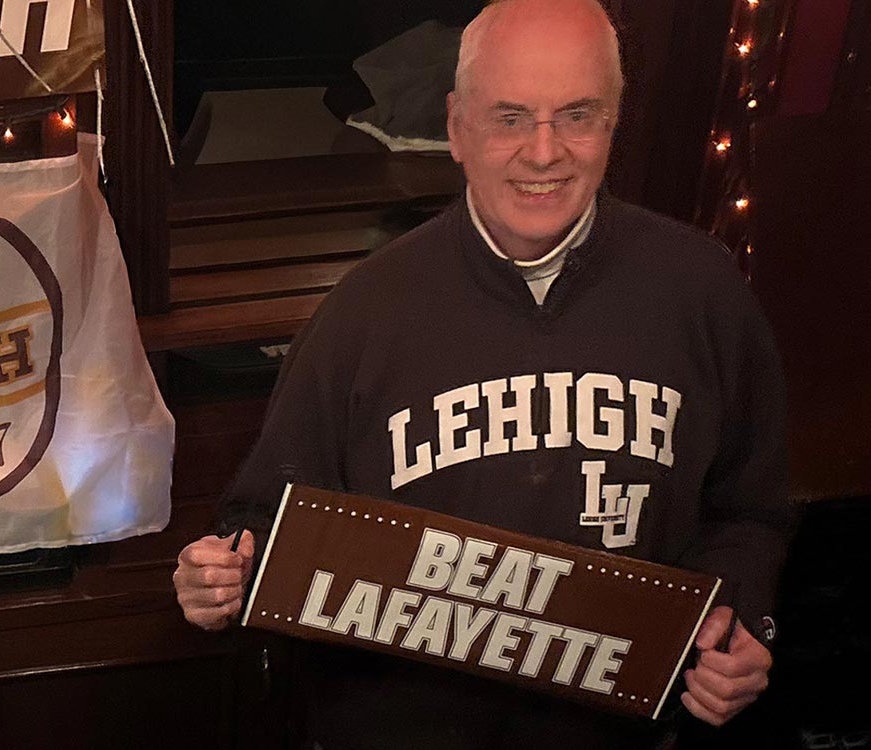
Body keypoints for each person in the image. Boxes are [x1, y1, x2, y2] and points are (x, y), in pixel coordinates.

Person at [173, 0, 797, 747]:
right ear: (456, 127)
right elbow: (262, 525)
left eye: (577, 115)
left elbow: (749, 511)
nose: (544, 152)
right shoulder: (362, 313)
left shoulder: (701, 290)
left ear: (614, 121)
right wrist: (218, 578)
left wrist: (735, 625)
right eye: (510, 117)